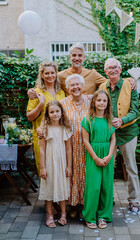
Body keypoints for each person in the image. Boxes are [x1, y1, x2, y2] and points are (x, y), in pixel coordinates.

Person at [99, 58, 140, 212]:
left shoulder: (130, 84)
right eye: (109, 68)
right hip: (109, 134)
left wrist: (122, 120)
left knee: (131, 167)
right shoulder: (102, 86)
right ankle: (108, 199)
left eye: (115, 67)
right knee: (108, 167)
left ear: (121, 69)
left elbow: (135, 111)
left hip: (128, 133)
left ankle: (134, 200)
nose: (113, 70)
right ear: (105, 71)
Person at [81, 89, 116, 229]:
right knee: (94, 187)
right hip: (93, 155)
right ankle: (89, 216)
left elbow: (113, 139)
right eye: (99, 100)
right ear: (94, 102)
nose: (102, 103)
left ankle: (103, 216)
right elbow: (85, 141)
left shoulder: (110, 119)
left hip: (108, 155)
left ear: (108, 103)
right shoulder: (88, 120)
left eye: (104, 100)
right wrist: (95, 157)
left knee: (106, 186)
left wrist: (109, 155)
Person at [27, 61, 65, 177]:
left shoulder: (61, 92)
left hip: (59, 135)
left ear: (56, 74)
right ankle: (46, 195)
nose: (50, 76)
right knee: (45, 169)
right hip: (42, 135)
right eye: (47, 73)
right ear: (42, 75)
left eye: (52, 73)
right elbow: (29, 117)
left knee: (58, 168)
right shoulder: (37, 93)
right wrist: (41, 104)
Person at [27, 43, 107, 98]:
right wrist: (31, 91)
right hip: (70, 115)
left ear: (84, 57)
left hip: (89, 115)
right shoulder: (61, 76)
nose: (77, 58)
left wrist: (96, 96)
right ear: (69, 57)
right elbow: (46, 85)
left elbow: (110, 85)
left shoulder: (92, 74)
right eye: (74, 55)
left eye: (80, 55)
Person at [60, 74, 90, 218]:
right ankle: (72, 204)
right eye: (72, 85)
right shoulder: (62, 103)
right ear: (67, 87)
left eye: (78, 84)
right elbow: (51, 118)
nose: (75, 87)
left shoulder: (90, 103)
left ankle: (84, 204)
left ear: (83, 86)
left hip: (86, 146)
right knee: (70, 174)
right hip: (68, 146)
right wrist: (42, 129)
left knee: (85, 174)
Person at [39, 100, 72, 228]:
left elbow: (69, 148)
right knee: (49, 187)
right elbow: (42, 149)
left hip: (62, 163)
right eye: (51, 112)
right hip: (49, 163)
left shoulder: (65, 128)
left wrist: (69, 166)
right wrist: (42, 167)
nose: (55, 114)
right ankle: (49, 215)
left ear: (62, 112)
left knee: (63, 187)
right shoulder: (44, 129)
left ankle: (63, 214)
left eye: (57, 111)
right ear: (47, 114)